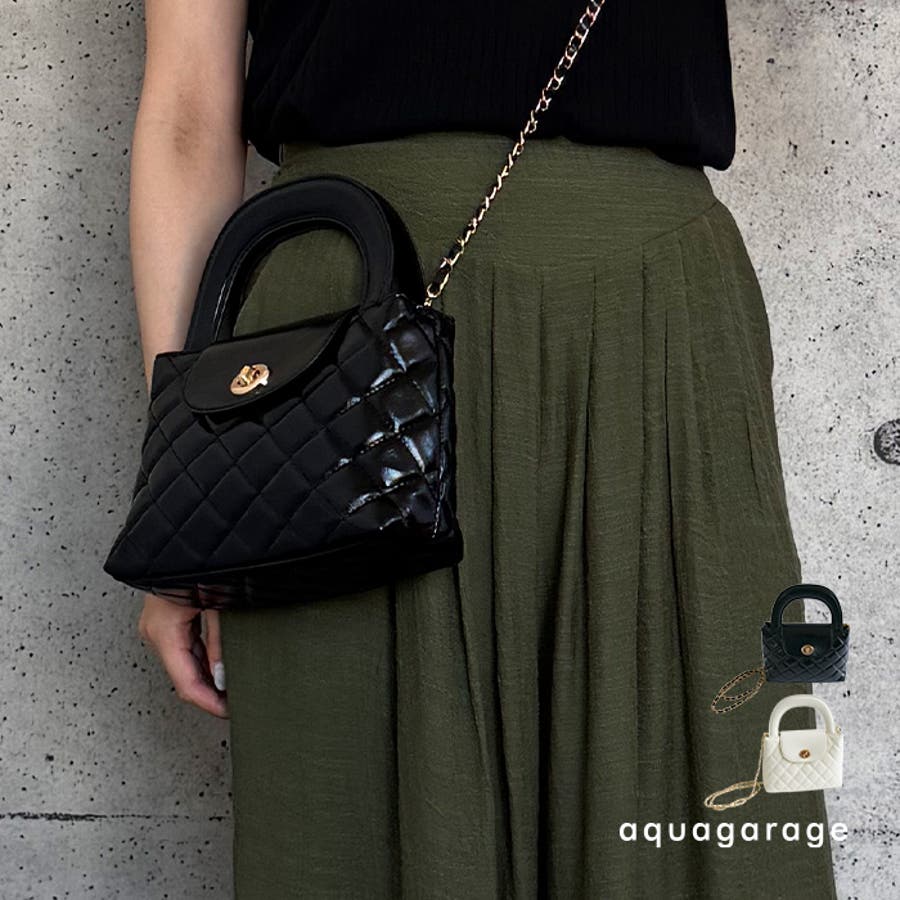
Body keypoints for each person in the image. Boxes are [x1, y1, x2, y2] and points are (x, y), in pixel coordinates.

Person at [131, 1, 839, 897]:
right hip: (343, 334)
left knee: (699, 800)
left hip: (652, 312)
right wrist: (185, 479)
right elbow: (189, 114)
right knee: (349, 826)